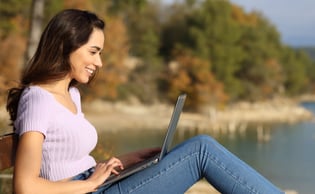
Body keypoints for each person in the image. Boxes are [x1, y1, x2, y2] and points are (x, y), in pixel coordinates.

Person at [6, 9, 284, 194]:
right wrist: (91, 182)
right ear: (67, 45)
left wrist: (130, 160)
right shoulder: (38, 99)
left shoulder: (72, 95)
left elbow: (68, 161)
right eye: (93, 51)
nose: (99, 62)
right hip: (90, 191)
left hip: (96, 185)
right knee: (201, 150)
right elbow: (25, 185)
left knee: (196, 147)